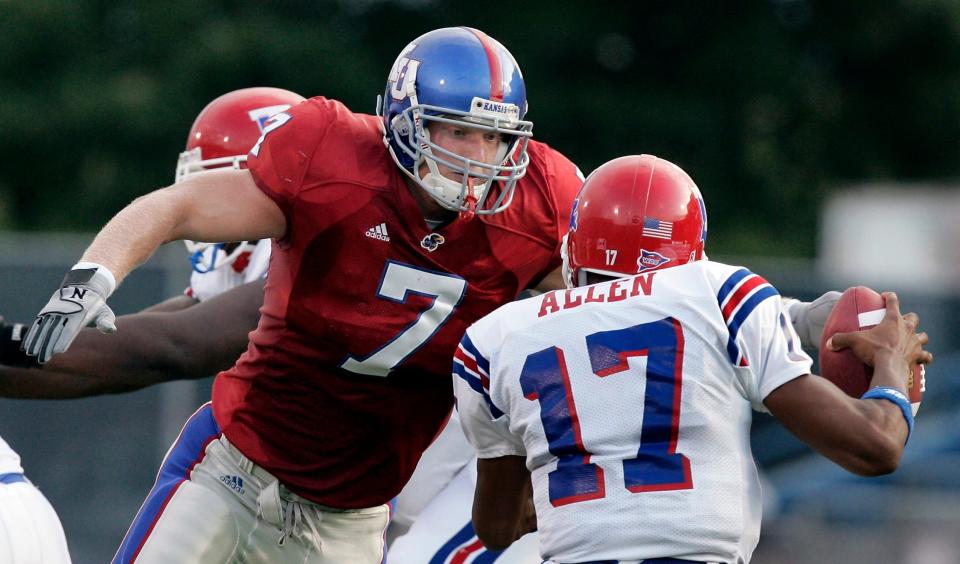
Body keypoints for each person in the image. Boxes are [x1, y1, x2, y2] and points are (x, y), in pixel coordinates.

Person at [22, 27, 585, 563]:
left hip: (353, 515)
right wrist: (94, 274)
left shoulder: (541, 204)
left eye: (494, 137)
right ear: (404, 123)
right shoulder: (333, 158)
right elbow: (180, 205)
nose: (478, 158)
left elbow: (599, 308)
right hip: (231, 472)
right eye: (456, 131)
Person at [453, 155, 932, 564]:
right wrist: (892, 361)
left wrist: (598, 473)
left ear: (575, 249)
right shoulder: (719, 296)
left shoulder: (498, 338)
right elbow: (875, 447)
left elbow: (496, 526)